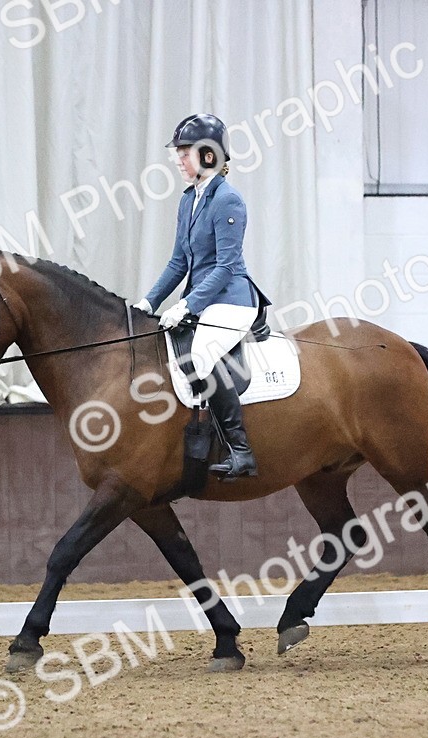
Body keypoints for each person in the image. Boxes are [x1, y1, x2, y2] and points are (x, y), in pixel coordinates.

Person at [132, 113, 271, 481]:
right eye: (178, 153)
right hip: (207, 300)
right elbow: (179, 262)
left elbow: (225, 267)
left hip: (233, 301)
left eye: (185, 152)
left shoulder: (228, 201)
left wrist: (187, 304)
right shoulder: (188, 200)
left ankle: (241, 452)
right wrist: (148, 302)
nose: (178, 160)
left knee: (201, 353)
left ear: (209, 155)